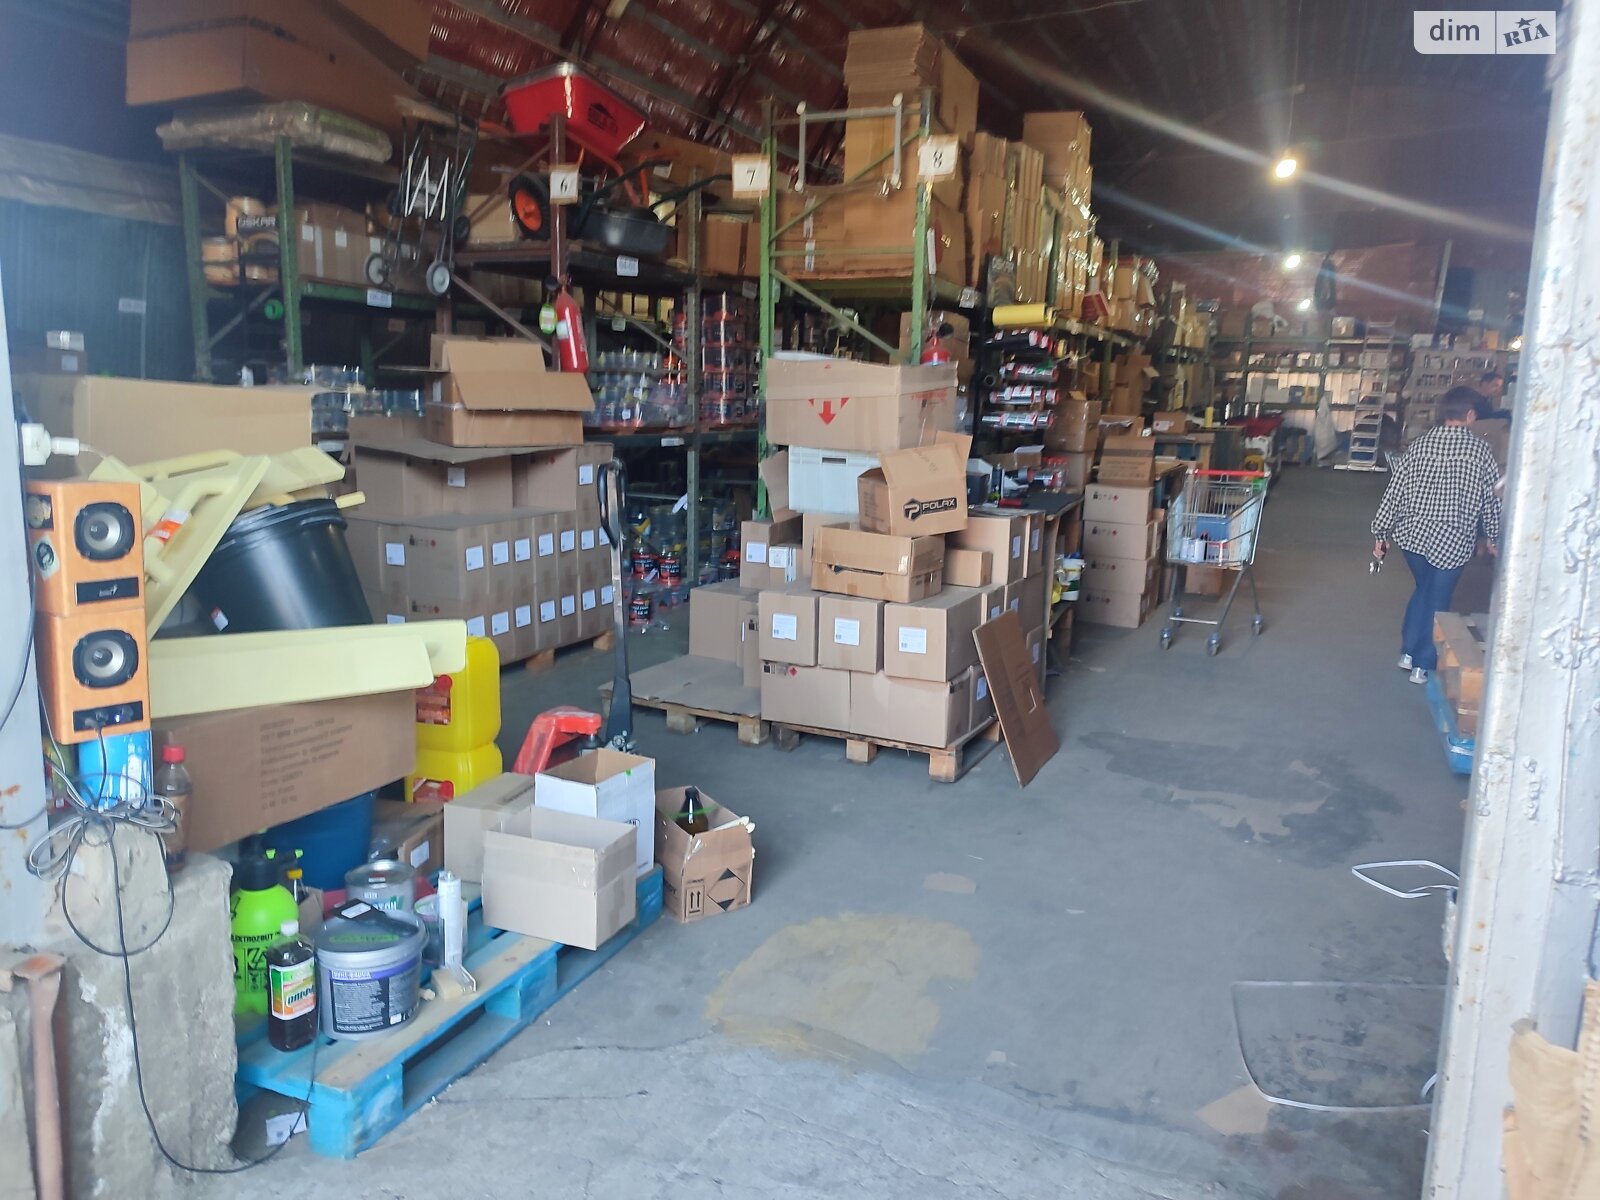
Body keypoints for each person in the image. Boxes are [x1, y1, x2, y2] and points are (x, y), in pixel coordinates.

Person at [1372, 386, 1502, 684]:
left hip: (1413, 537)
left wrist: (1381, 531)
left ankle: (1408, 652)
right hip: (1453, 538)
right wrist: (1493, 537)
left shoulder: (1419, 445)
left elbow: (1396, 491)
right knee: (1437, 599)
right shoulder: (1480, 451)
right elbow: (1491, 500)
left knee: (1424, 589)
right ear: (1470, 415)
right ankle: (1422, 664)